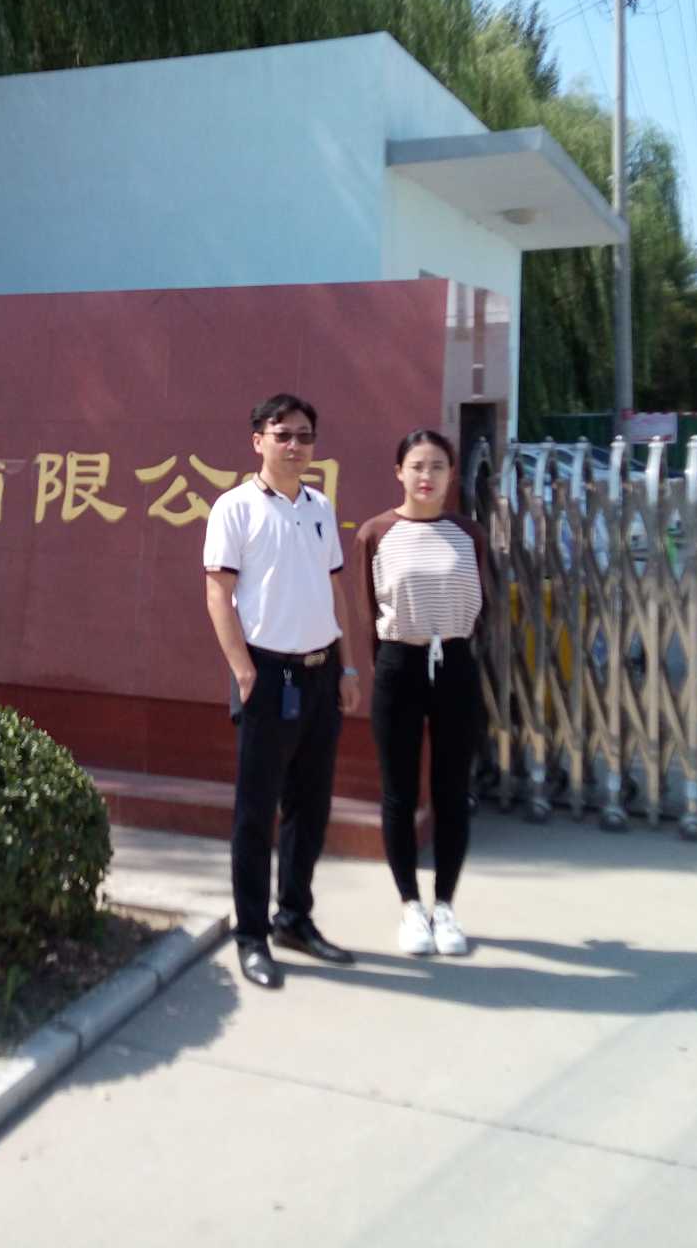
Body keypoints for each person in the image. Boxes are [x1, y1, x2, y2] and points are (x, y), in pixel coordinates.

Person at [203, 393, 364, 990]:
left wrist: (348, 669)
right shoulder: (235, 508)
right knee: (256, 813)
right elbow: (218, 593)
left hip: (321, 676)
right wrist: (244, 672)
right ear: (259, 441)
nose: (295, 445)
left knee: (309, 806)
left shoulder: (320, 507)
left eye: (304, 435)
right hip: (267, 676)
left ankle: (294, 918)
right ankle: (252, 936)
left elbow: (334, 589)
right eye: (283, 434)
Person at [352, 428, 491, 957]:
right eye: (416, 466)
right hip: (399, 663)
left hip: (454, 663)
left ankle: (446, 906)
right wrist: (383, 664)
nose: (426, 476)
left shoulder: (468, 534)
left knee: (452, 792)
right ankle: (410, 905)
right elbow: (366, 608)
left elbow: (484, 603)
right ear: (399, 472)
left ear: (451, 474)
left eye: (437, 466)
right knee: (400, 793)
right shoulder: (376, 533)